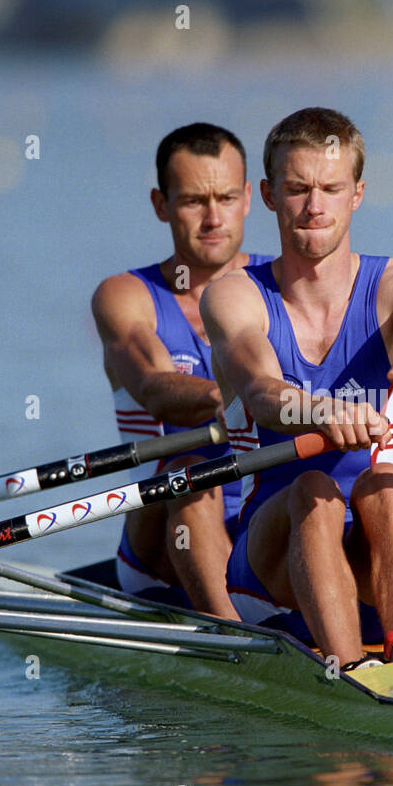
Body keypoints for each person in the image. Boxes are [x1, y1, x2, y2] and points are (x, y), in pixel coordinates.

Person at [202, 107, 393, 667]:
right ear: (268, 195)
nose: (315, 207)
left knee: (384, 484)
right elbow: (261, 389)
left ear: (358, 194)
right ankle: (352, 673)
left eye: (331, 188)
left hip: (371, 563)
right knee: (313, 488)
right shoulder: (234, 297)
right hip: (266, 570)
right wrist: (318, 410)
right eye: (297, 189)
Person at [90, 123, 269, 620]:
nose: (214, 218)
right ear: (160, 204)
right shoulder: (126, 296)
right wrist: (242, 396)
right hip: (162, 545)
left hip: (268, 521)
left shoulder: (287, 285)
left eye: (227, 198)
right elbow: (154, 388)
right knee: (189, 473)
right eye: (193, 201)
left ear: (249, 198)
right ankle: (237, 641)